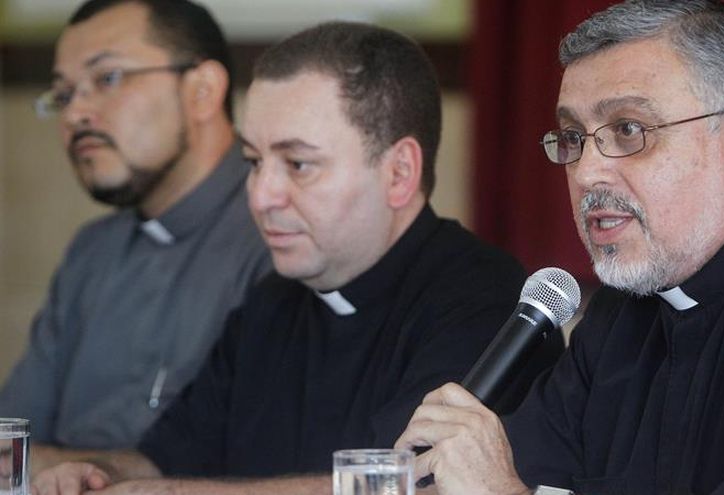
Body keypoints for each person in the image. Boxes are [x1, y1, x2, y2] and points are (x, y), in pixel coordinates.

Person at [31, 21, 564, 495]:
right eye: (253, 162)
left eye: (298, 164)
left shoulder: (487, 304)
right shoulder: (272, 301)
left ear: (399, 173)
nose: (261, 195)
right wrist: (99, 473)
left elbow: (407, 486)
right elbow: (165, 457)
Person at [395, 1, 724, 494]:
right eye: (573, 137)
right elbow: (509, 470)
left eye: (629, 130)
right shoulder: (622, 309)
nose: (586, 172)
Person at [0, 0, 273, 466]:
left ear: (203, 90)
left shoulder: (281, 236)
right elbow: (12, 443)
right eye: (63, 95)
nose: (75, 114)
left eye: (108, 78)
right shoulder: (92, 250)